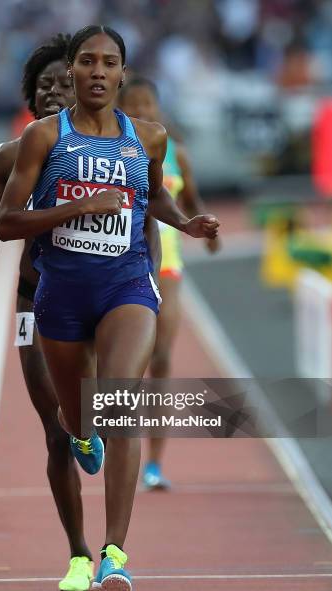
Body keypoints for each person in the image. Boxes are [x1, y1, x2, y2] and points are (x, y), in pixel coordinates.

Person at [0, 25, 219, 591]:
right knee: (76, 418)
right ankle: (80, 432)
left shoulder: (149, 138)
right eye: (87, 62)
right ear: (71, 72)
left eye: (109, 62)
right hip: (60, 297)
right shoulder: (45, 138)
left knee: (121, 400)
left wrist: (184, 222)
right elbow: (5, 222)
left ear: (123, 73)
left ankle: (114, 553)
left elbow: (154, 196)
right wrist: (77, 209)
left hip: (127, 288)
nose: (98, 71)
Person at [0, 34, 96, 591]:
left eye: (64, 80)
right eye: (44, 85)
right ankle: (79, 554)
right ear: (31, 98)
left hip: (101, 299)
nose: (55, 90)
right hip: (34, 302)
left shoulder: (114, 148)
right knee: (55, 432)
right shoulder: (9, 158)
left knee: (94, 410)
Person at [118, 76, 221, 491]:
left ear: (159, 110)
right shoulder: (112, 150)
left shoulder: (175, 153)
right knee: (125, 366)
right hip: (122, 263)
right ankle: (113, 440)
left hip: (168, 264)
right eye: (134, 106)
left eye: (149, 105)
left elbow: (191, 201)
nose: (143, 112)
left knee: (160, 357)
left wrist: (210, 230)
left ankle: (155, 463)